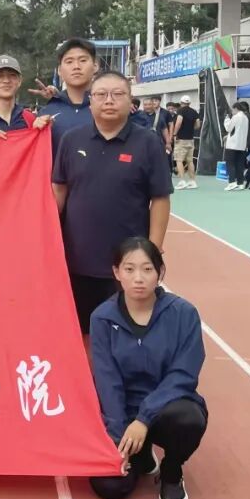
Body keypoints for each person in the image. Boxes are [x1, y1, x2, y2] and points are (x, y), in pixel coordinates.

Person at [88, 238, 207, 499]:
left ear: (160, 272)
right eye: (129, 269)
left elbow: (183, 375)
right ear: (116, 272)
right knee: (110, 487)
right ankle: (140, 455)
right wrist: (118, 439)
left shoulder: (183, 314)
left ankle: (171, 472)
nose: (138, 278)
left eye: (147, 269)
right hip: (123, 414)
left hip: (167, 408)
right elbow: (107, 380)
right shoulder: (102, 318)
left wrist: (144, 419)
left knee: (188, 419)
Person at [52, 71, 173, 335]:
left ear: (130, 101)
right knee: (79, 332)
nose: (109, 100)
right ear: (91, 101)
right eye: (101, 94)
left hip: (127, 262)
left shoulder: (148, 142)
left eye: (118, 94)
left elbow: (160, 198)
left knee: (126, 332)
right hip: (77, 259)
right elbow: (58, 191)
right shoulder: (71, 140)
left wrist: (153, 249)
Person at [34, 39, 99, 151]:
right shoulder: (47, 113)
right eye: (69, 62)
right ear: (59, 70)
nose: (76, 66)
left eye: (83, 60)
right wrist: (34, 131)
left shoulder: (108, 107)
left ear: (95, 66)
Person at [172, 95, 201, 190]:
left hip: (181, 139)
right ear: (189, 103)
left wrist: (175, 134)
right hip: (190, 139)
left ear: (181, 103)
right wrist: (191, 128)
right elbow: (198, 125)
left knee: (179, 160)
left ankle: (182, 181)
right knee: (190, 161)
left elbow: (179, 122)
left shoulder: (180, 111)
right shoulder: (194, 111)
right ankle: (192, 181)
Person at [222, 101, 250, 192]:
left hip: (232, 145)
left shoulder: (235, 117)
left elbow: (228, 128)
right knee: (239, 164)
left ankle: (231, 182)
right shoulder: (245, 118)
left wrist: (226, 120)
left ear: (236, 109)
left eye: (232, 110)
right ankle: (240, 183)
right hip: (242, 145)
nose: (232, 112)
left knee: (230, 163)